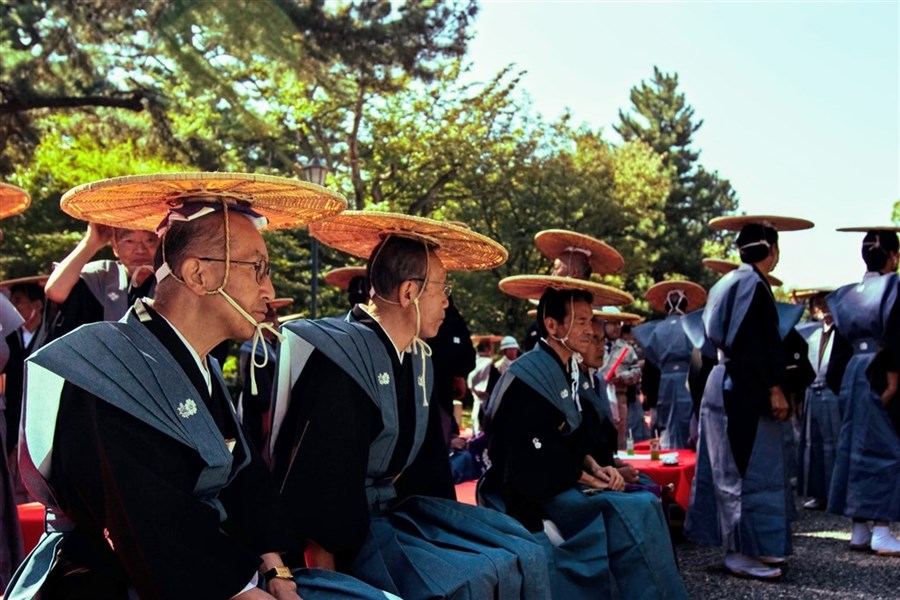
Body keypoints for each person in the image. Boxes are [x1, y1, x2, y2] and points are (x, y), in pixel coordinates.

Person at [5, 172, 396, 600]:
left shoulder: (201, 363)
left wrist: (277, 567)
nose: (270, 290)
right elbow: (150, 525)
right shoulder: (107, 366)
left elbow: (245, 479)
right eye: (258, 269)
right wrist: (249, 591)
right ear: (198, 275)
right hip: (118, 580)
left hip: (223, 568)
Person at [269, 212, 550, 599]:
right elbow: (321, 489)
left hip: (397, 515)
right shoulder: (343, 357)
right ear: (408, 293)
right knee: (468, 579)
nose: (447, 302)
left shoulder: (416, 357)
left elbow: (429, 471)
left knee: (521, 551)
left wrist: (447, 528)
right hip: (353, 533)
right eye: (442, 288)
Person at [480, 276, 687, 599]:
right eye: (581, 321)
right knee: (632, 509)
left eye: (591, 320)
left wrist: (596, 466)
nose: (592, 330)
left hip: (560, 476)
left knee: (645, 501)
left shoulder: (567, 369)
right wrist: (590, 477)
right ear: (552, 325)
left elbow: (573, 440)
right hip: (528, 490)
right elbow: (531, 453)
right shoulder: (528, 375)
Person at [686, 214, 814, 580]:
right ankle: (742, 550)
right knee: (745, 471)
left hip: (722, 379)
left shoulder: (727, 282)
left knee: (731, 469)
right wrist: (775, 388)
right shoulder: (752, 286)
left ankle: (751, 546)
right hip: (742, 387)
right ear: (771, 251)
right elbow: (755, 344)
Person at [825, 226, 900, 556]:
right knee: (885, 449)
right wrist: (894, 381)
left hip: (854, 372)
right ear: (893, 256)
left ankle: (858, 528)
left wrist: (840, 386)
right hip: (883, 372)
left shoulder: (848, 294)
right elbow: (898, 337)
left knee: (853, 448)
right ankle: (881, 528)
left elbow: (838, 351)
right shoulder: (895, 288)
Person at [45, 223, 159, 340]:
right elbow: (55, 291)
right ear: (115, 247)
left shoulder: (170, 280)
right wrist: (92, 242)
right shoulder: (102, 276)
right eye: (129, 241)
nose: (140, 250)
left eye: (150, 240)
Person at [633, 280, 707, 450]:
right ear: (685, 303)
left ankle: (668, 452)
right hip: (687, 380)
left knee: (665, 421)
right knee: (688, 420)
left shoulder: (655, 330)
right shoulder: (692, 326)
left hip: (665, 381)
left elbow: (652, 365)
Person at [791, 289, 841, 511]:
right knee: (813, 444)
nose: (822, 307)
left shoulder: (844, 333)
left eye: (826, 302)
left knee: (836, 444)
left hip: (833, 393)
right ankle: (818, 494)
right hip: (812, 392)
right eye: (817, 304)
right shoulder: (810, 335)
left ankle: (838, 493)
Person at [601, 309, 644, 447]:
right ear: (603, 324)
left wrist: (622, 377)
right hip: (598, 395)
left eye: (619, 323)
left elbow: (636, 372)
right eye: (612, 323)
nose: (617, 327)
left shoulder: (627, 348)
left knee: (620, 436)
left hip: (620, 397)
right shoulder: (593, 346)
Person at [467, 337, 501, 435]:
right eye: (489, 346)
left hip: (482, 394)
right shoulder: (486, 362)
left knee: (478, 419)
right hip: (483, 395)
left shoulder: (478, 361)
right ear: (487, 348)